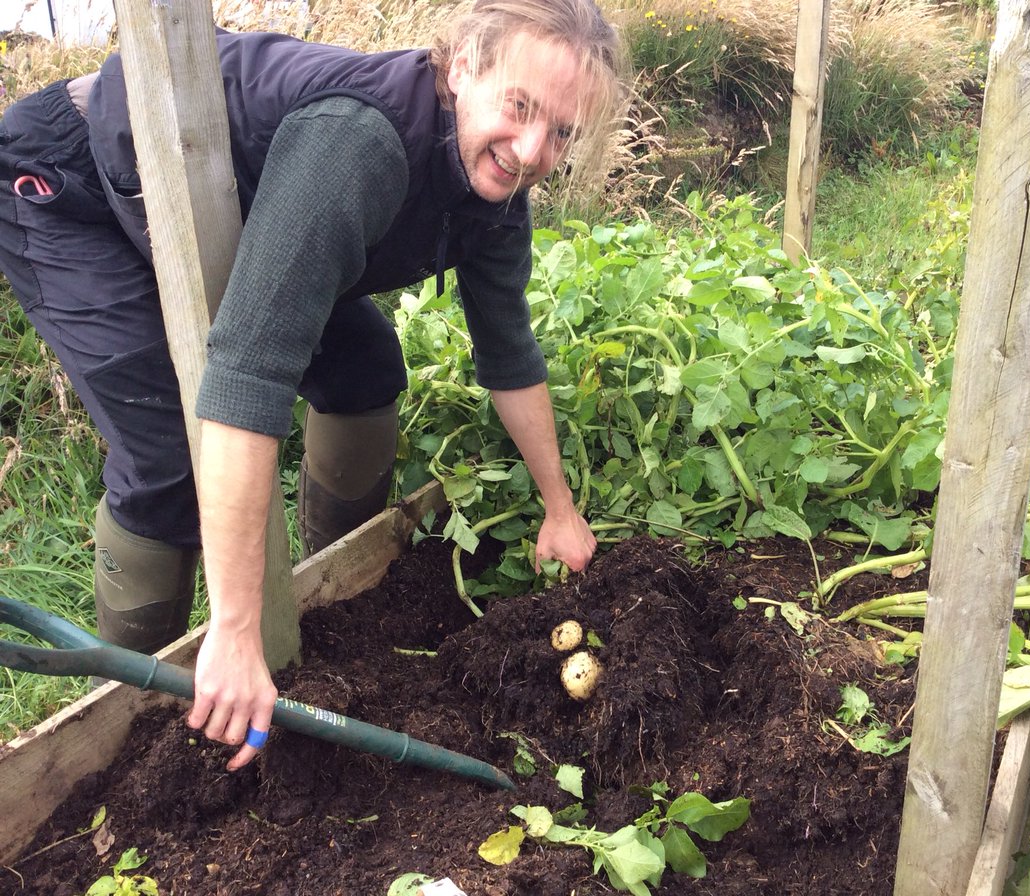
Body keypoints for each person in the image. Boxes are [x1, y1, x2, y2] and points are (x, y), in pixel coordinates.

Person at [0, 0, 626, 770]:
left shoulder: (492, 181)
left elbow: (509, 350)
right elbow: (249, 376)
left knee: (366, 369)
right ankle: (138, 721)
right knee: (166, 452)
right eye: (520, 108)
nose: (533, 149)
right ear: (464, 66)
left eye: (560, 131)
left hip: (229, 201)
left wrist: (559, 510)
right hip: (79, 186)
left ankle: (336, 612)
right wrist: (233, 627)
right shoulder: (359, 145)